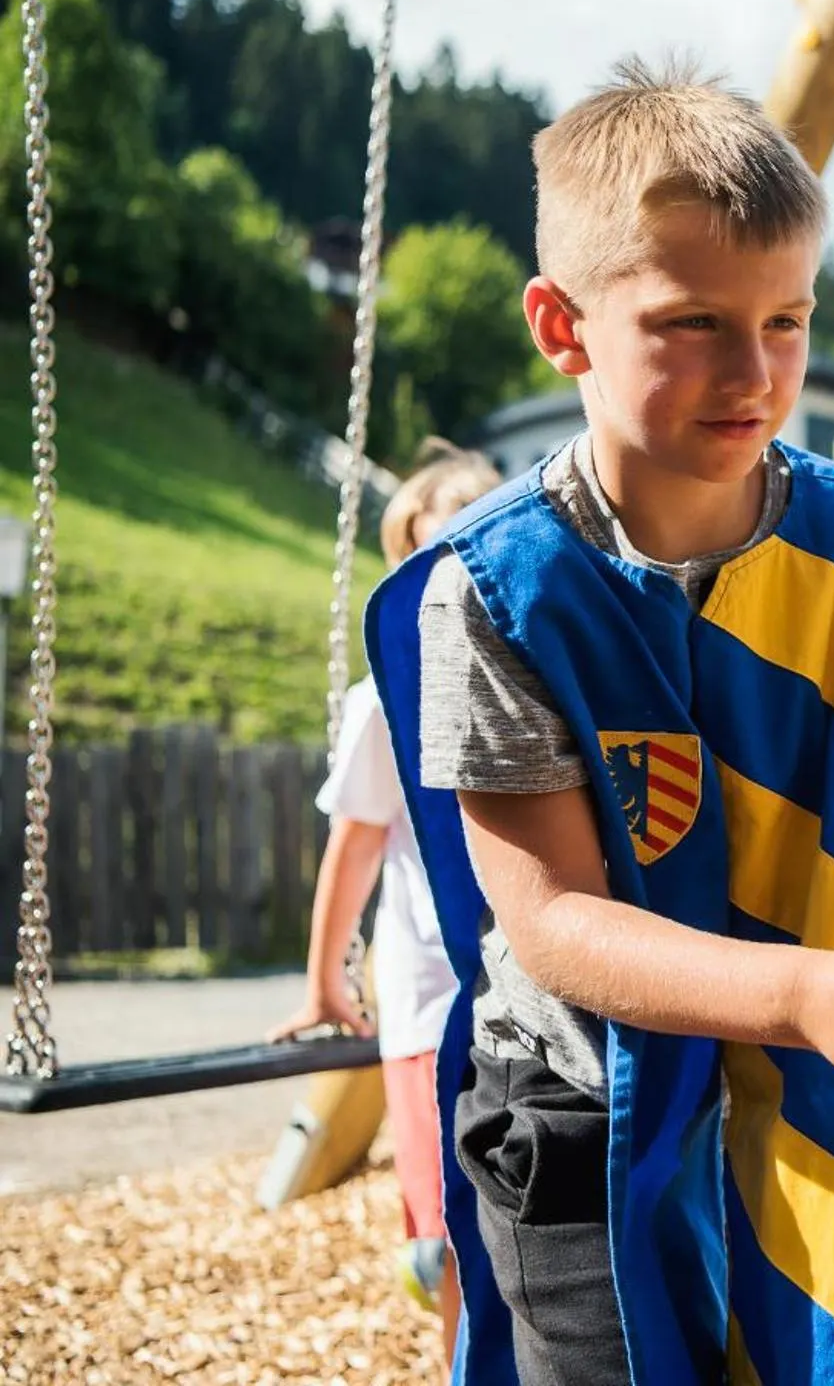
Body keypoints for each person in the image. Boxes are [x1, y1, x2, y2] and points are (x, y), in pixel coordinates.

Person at [363, 59, 834, 1386]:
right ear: (562, 327)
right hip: (575, 1118)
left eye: (790, 320)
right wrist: (810, 990)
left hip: (789, 1100)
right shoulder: (496, 591)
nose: (754, 369)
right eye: (692, 321)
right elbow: (552, 923)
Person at [270, 442, 502, 1368]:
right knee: (451, 1225)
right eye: (424, 555)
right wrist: (326, 979)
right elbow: (357, 844)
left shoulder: (543, 681)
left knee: (526, 1211)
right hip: (433, 1001)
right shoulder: (385, 701)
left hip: (538, 994)